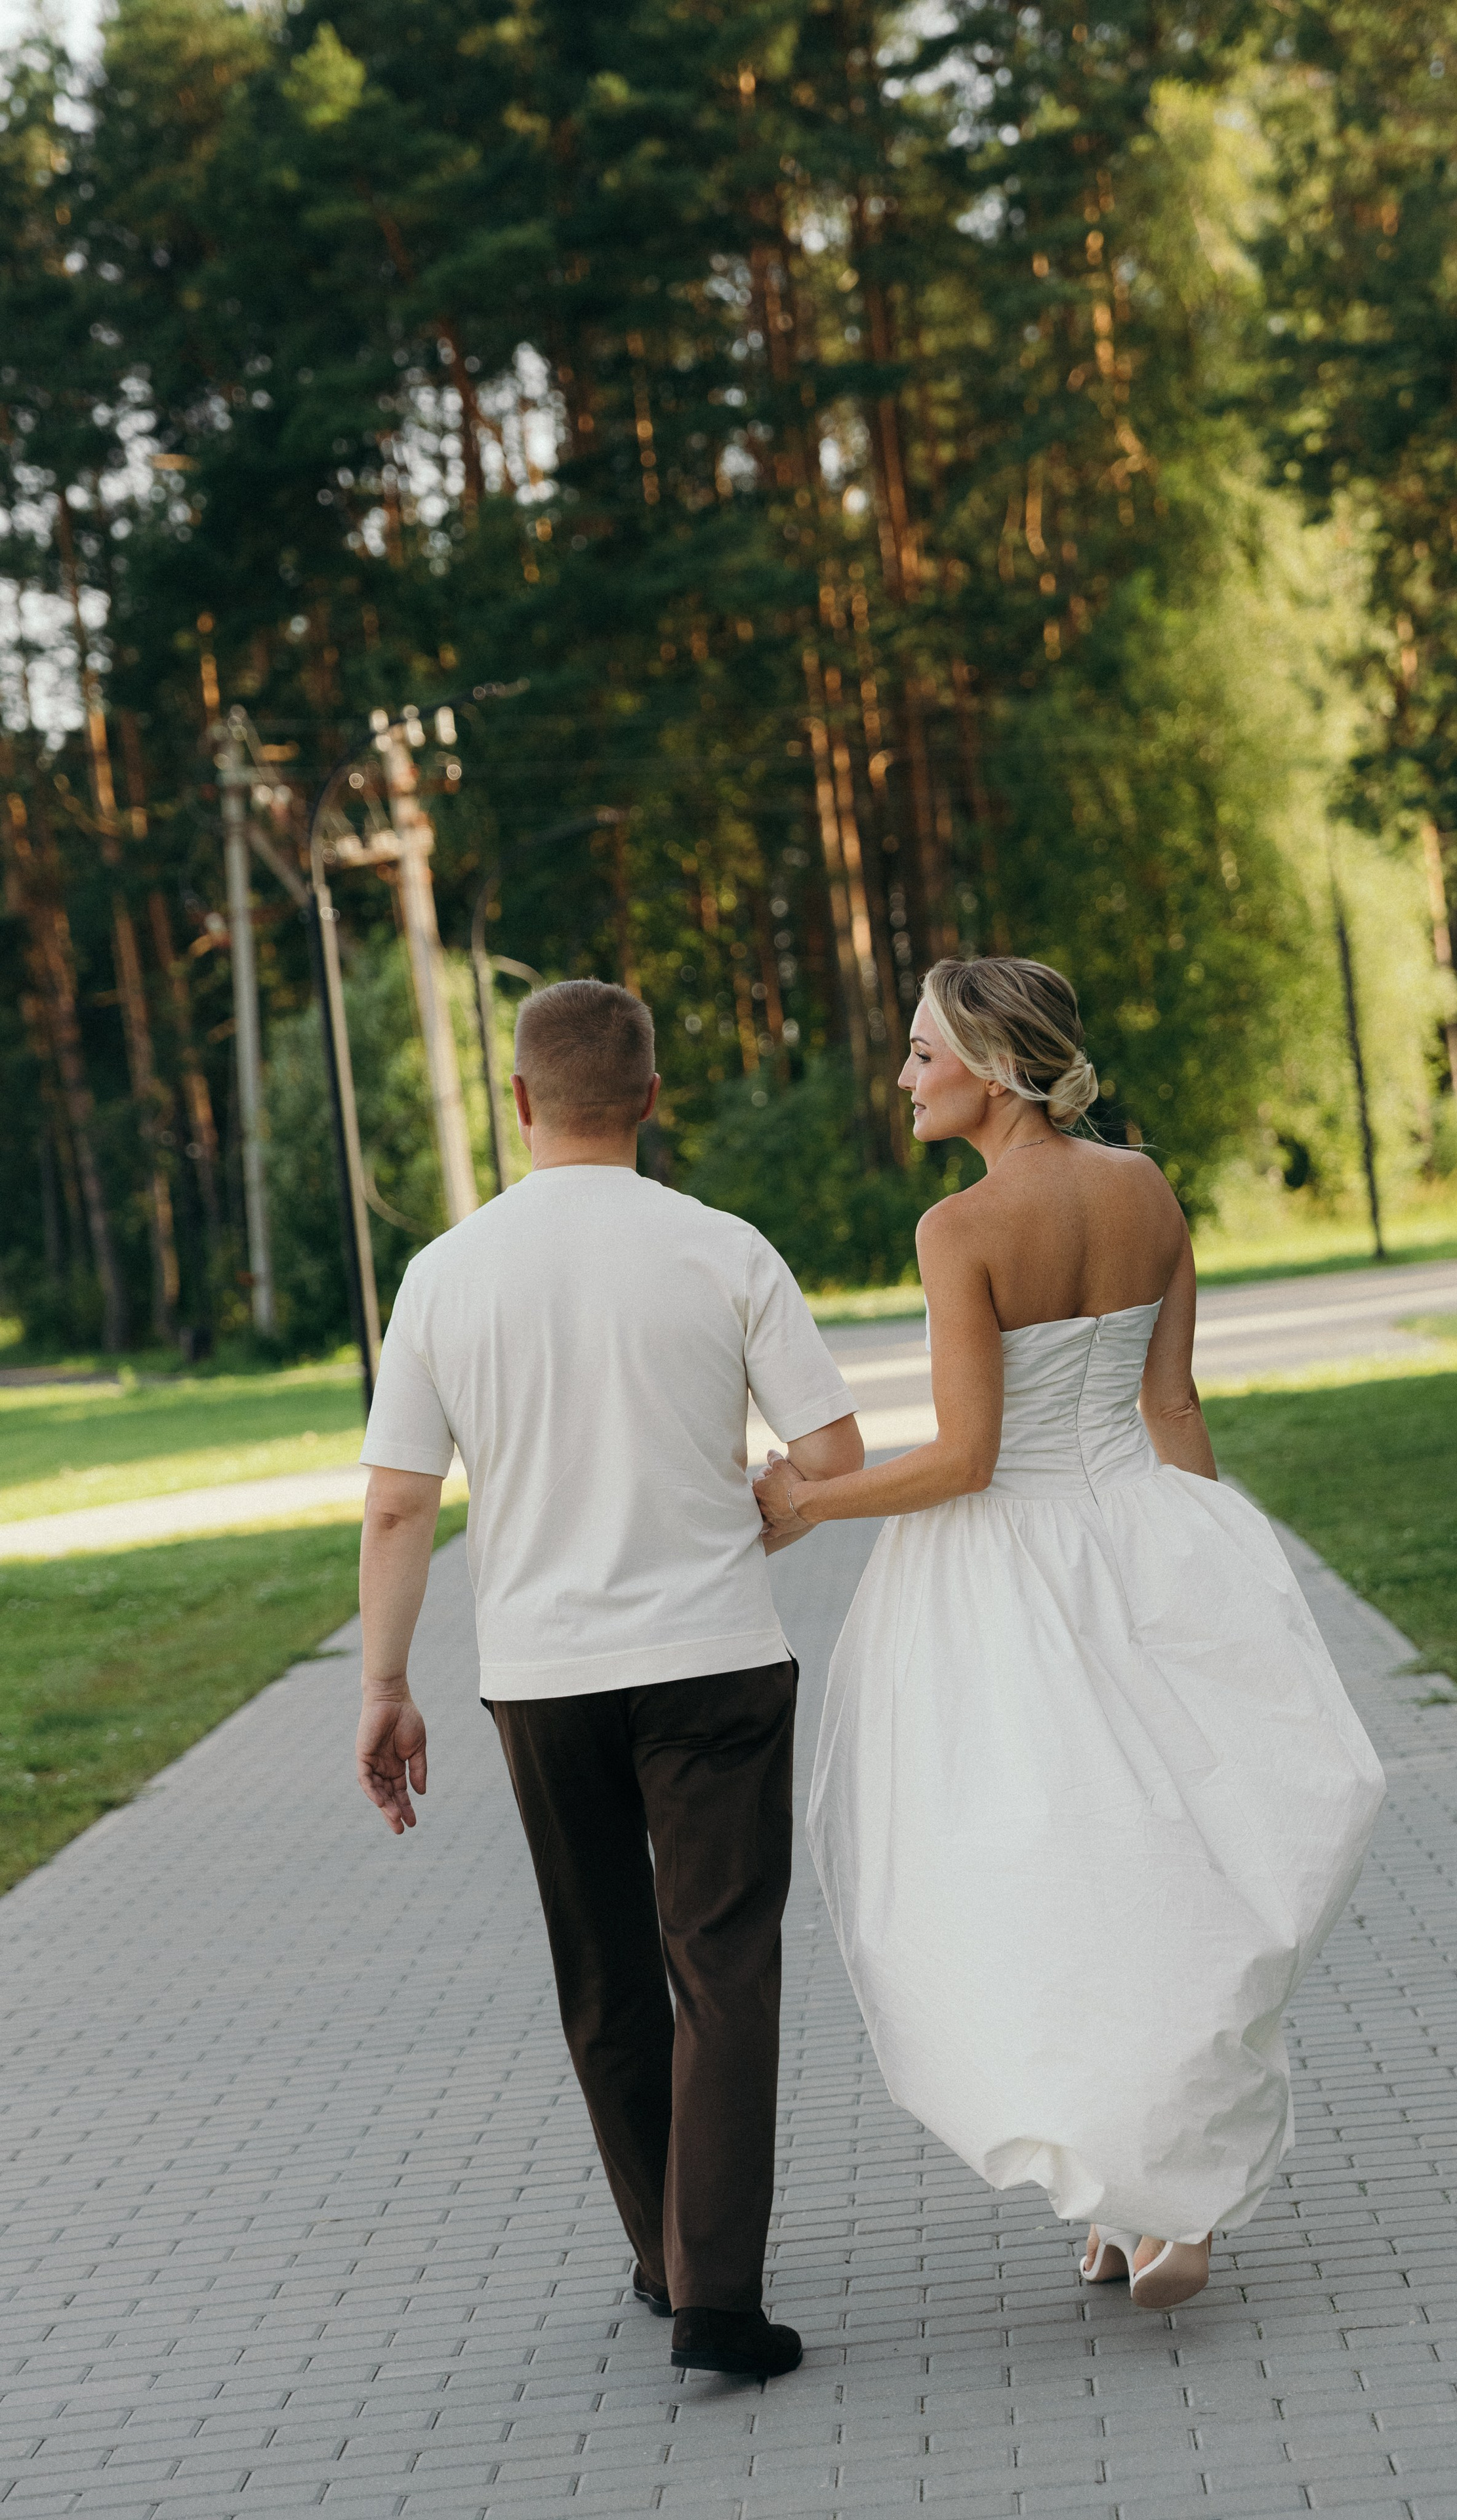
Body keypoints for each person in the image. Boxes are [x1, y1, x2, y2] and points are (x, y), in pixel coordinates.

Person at [755, 956, 1385, 2311]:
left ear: (989, 1066)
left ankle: (1154, 2200)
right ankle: (1129, 2198)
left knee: (1044, 1878)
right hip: (1147, 1539)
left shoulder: (962, 1229)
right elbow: (1171, 1406)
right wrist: (1218, 1581)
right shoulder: (1143, 1185)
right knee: (1169, 1865)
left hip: (1009, 1584)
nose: (906, 1076)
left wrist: (807, 1499)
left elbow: (967, 1461)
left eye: (922, 1052)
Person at [354, 978, 861, 2380]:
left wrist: (382, 1684)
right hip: (713, 1661)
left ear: (518, 1102)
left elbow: (400, 1503)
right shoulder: (721, 1248)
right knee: (723, 1970)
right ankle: (719, 2294)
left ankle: (660, 2253)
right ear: (649, 1097)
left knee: (603, 1974)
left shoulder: (444, 1272)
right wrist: (772, 1498)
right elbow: (832, 1459)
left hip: (540, 1677)